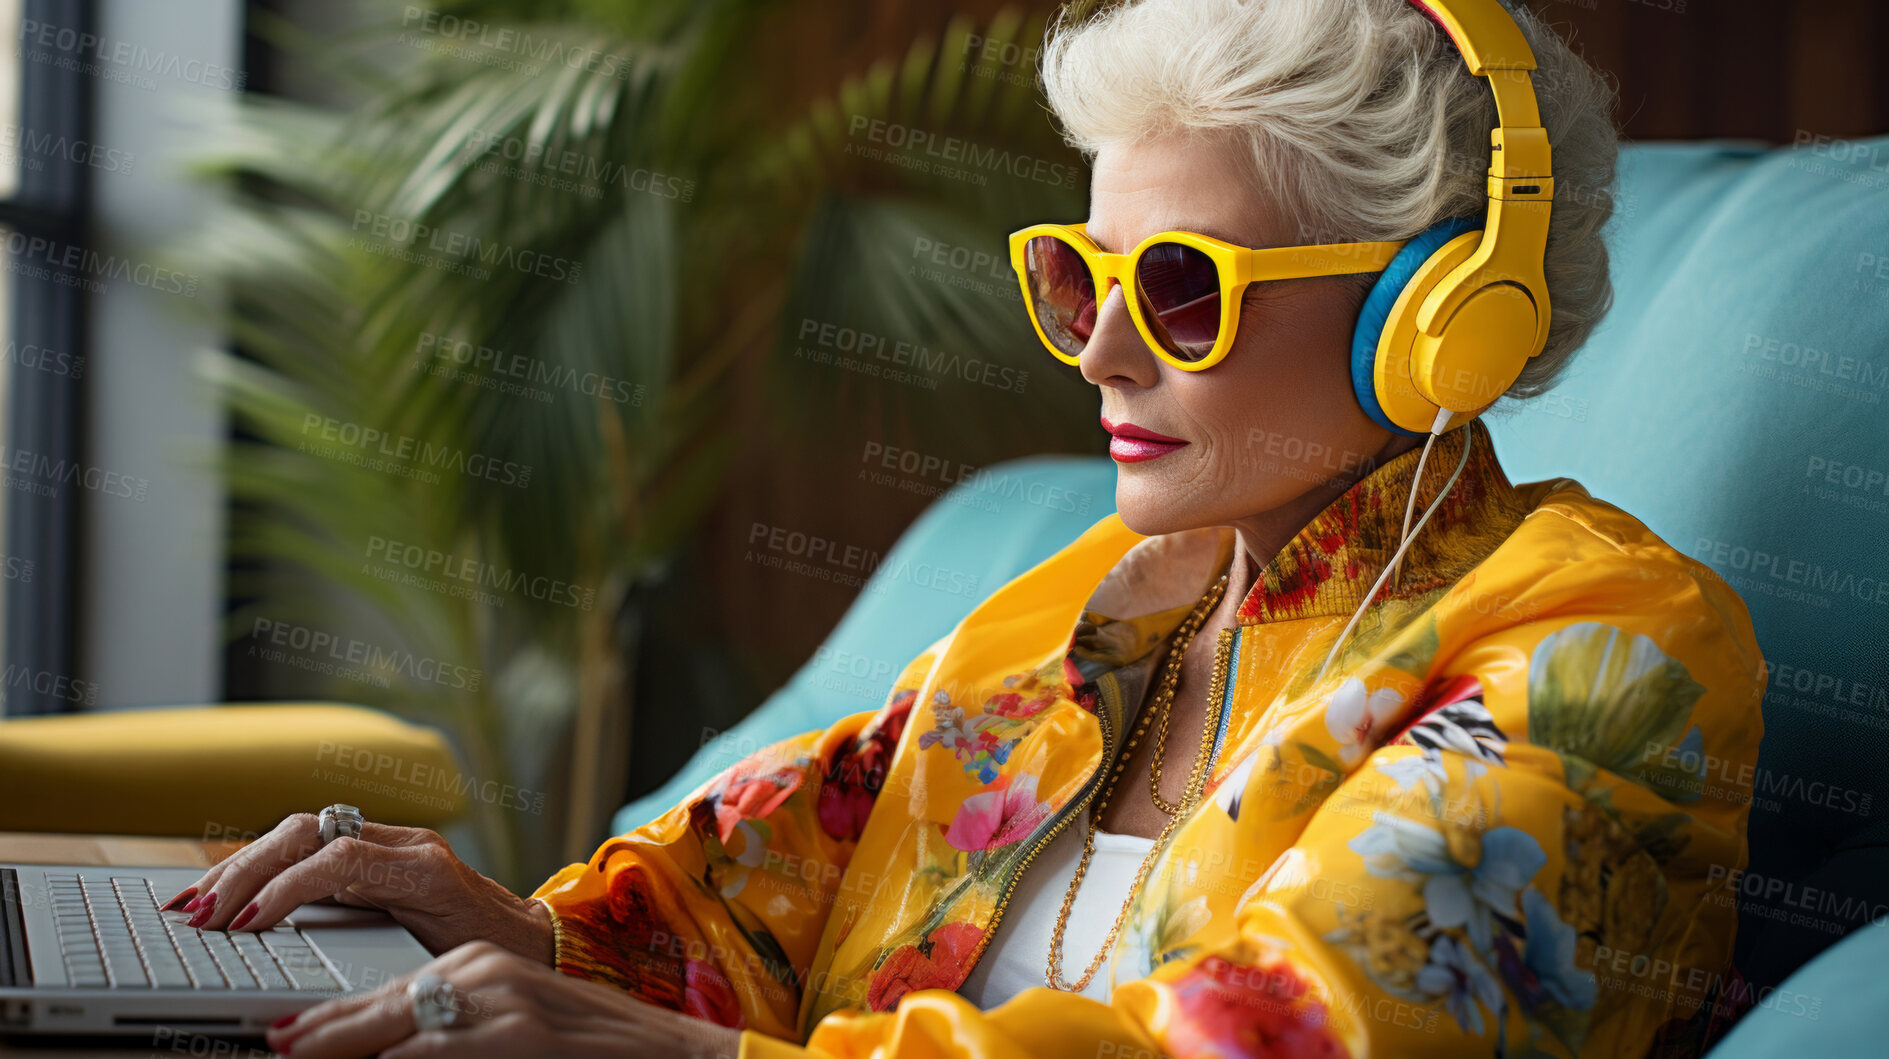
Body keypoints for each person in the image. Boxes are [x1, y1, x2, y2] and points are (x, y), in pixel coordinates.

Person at [170, 0, 1766, 1055]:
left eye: (1182, 290)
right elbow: (746, 913)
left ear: (1437, 321)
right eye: (1082, 273)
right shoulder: (1084, 607)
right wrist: (512, 930)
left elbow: (1273, 1040)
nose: (1097, 349)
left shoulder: (1607, 652)